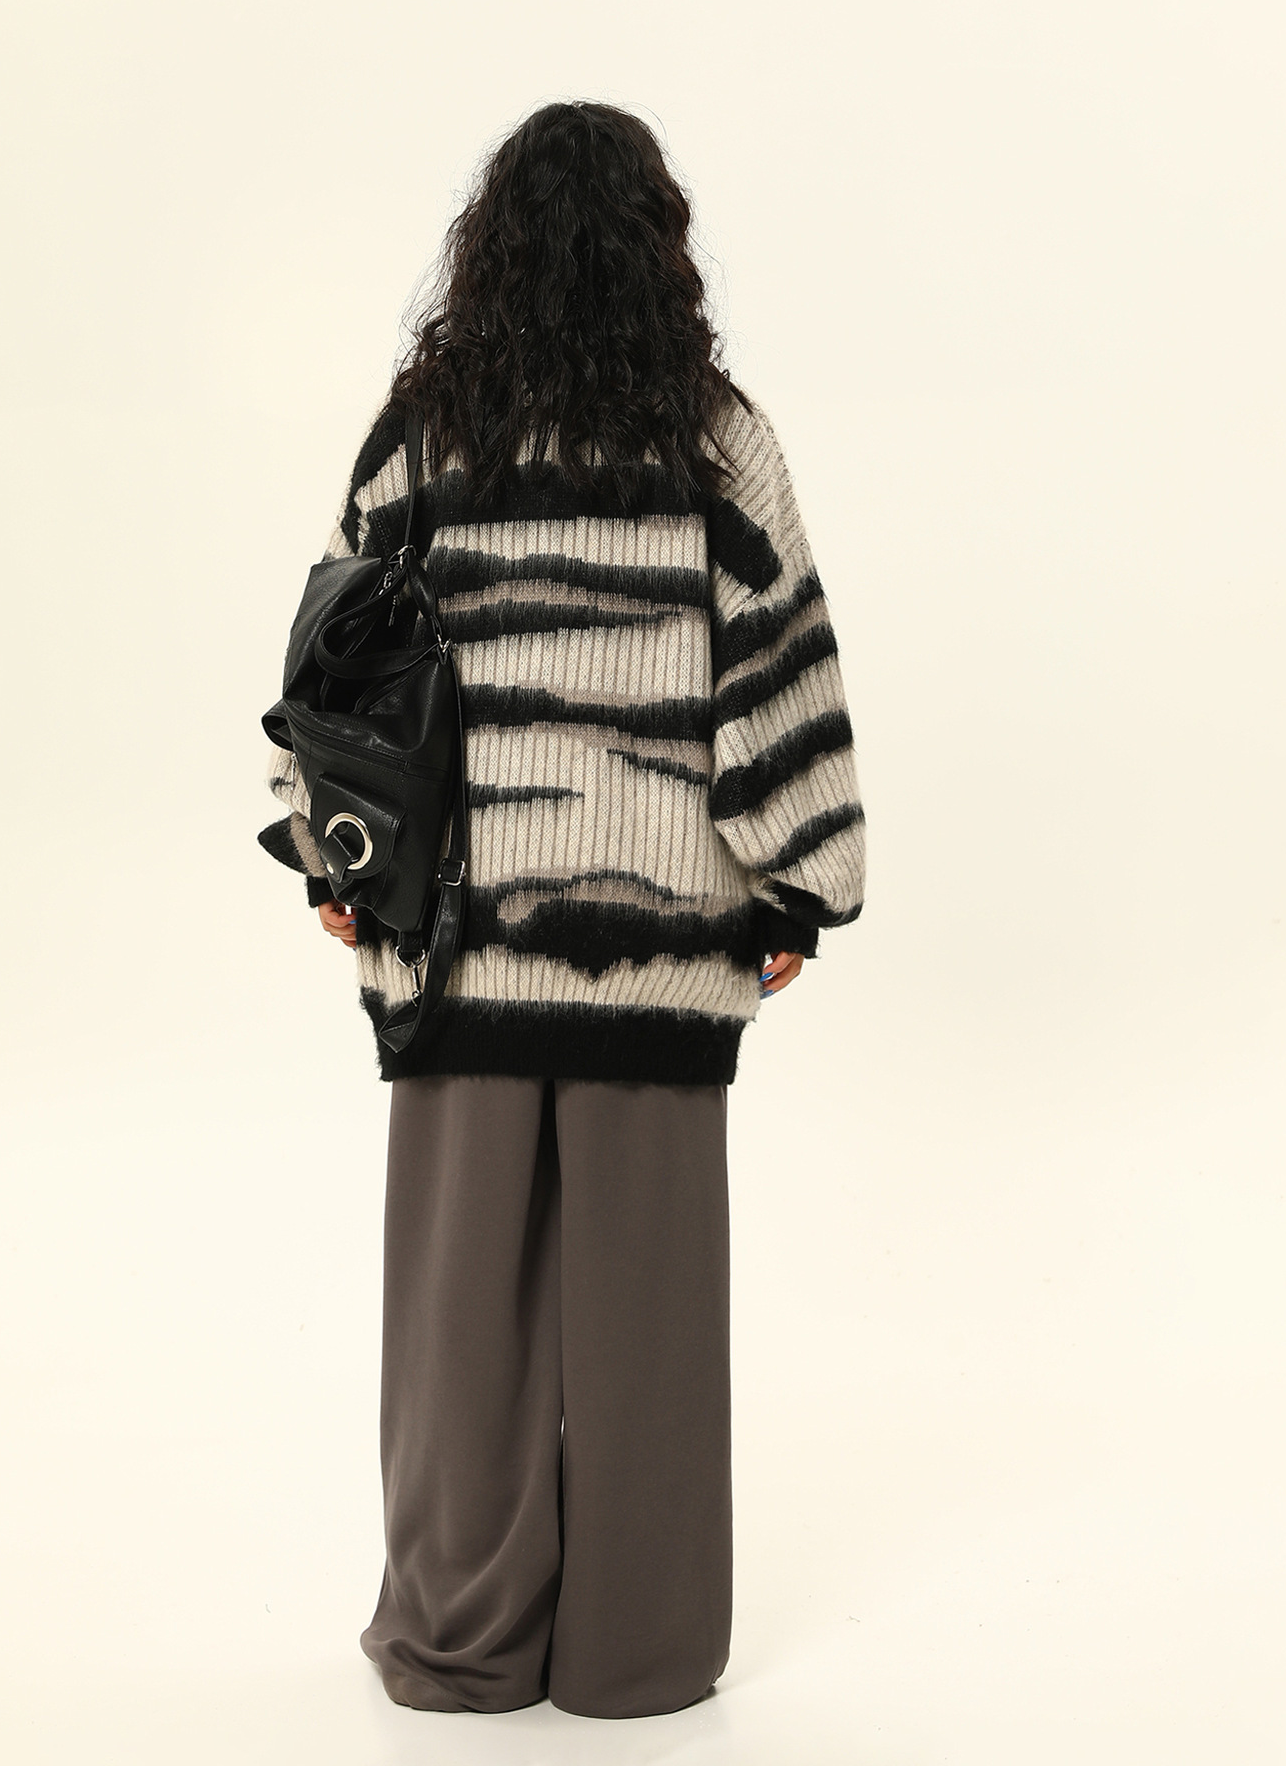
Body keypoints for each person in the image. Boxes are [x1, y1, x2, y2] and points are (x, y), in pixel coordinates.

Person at [258, 101, 865, 1719]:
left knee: (461, 1320)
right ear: (660, 249)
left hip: (461, 928)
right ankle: (637, 1656)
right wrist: (798, 883)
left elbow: (337, 659)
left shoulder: (424, 430)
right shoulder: (718, 438)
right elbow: (779, 662)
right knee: (651, 1321)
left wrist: (335, 853)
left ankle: (460, 1646)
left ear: (494, 247)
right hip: (660, 938)